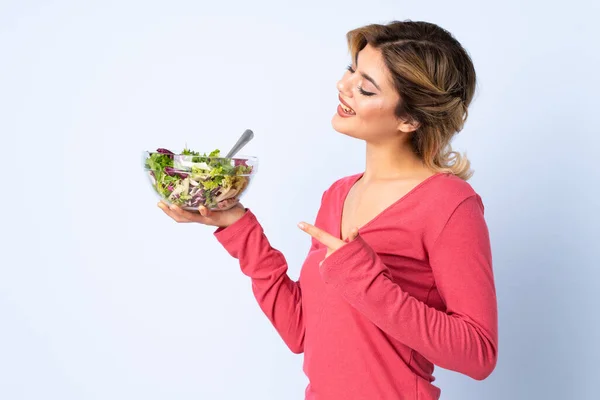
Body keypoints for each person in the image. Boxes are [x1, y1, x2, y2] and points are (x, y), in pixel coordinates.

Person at [158, 19, 498, 400]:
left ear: (410, 119)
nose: (344, 86)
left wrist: (366, 280)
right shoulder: (337, 194)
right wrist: (238, 225)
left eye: (365, 88)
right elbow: (300, 330)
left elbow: (479, 355)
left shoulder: (449, 204)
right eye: (351, 70)